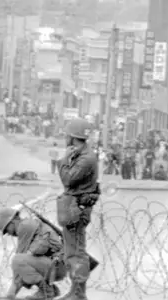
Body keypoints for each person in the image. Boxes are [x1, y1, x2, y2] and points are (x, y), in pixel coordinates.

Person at [55, 118, 100, 300]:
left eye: (67, 135)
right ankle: (76, 291)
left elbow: (68, 180)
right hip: (73, 207)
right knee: (72, 251)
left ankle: (79, 293)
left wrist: (63, 160)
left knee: (77, 253)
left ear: (73, 137)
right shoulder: (81, 155)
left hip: (77, 209)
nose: (65, 138)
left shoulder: (86, 159)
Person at [0, 207, 65, 300]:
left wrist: (11, 294)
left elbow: (19, 264)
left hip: (57, 267)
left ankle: (46, 291)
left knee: (17, 260)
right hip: (57, 267)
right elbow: (20, 271)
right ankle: (50, 290)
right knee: (21, 263)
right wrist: (11, 295)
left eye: (6, 230)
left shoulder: (24, 226)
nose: (8, 233)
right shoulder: (30, 225)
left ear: (11, 222)